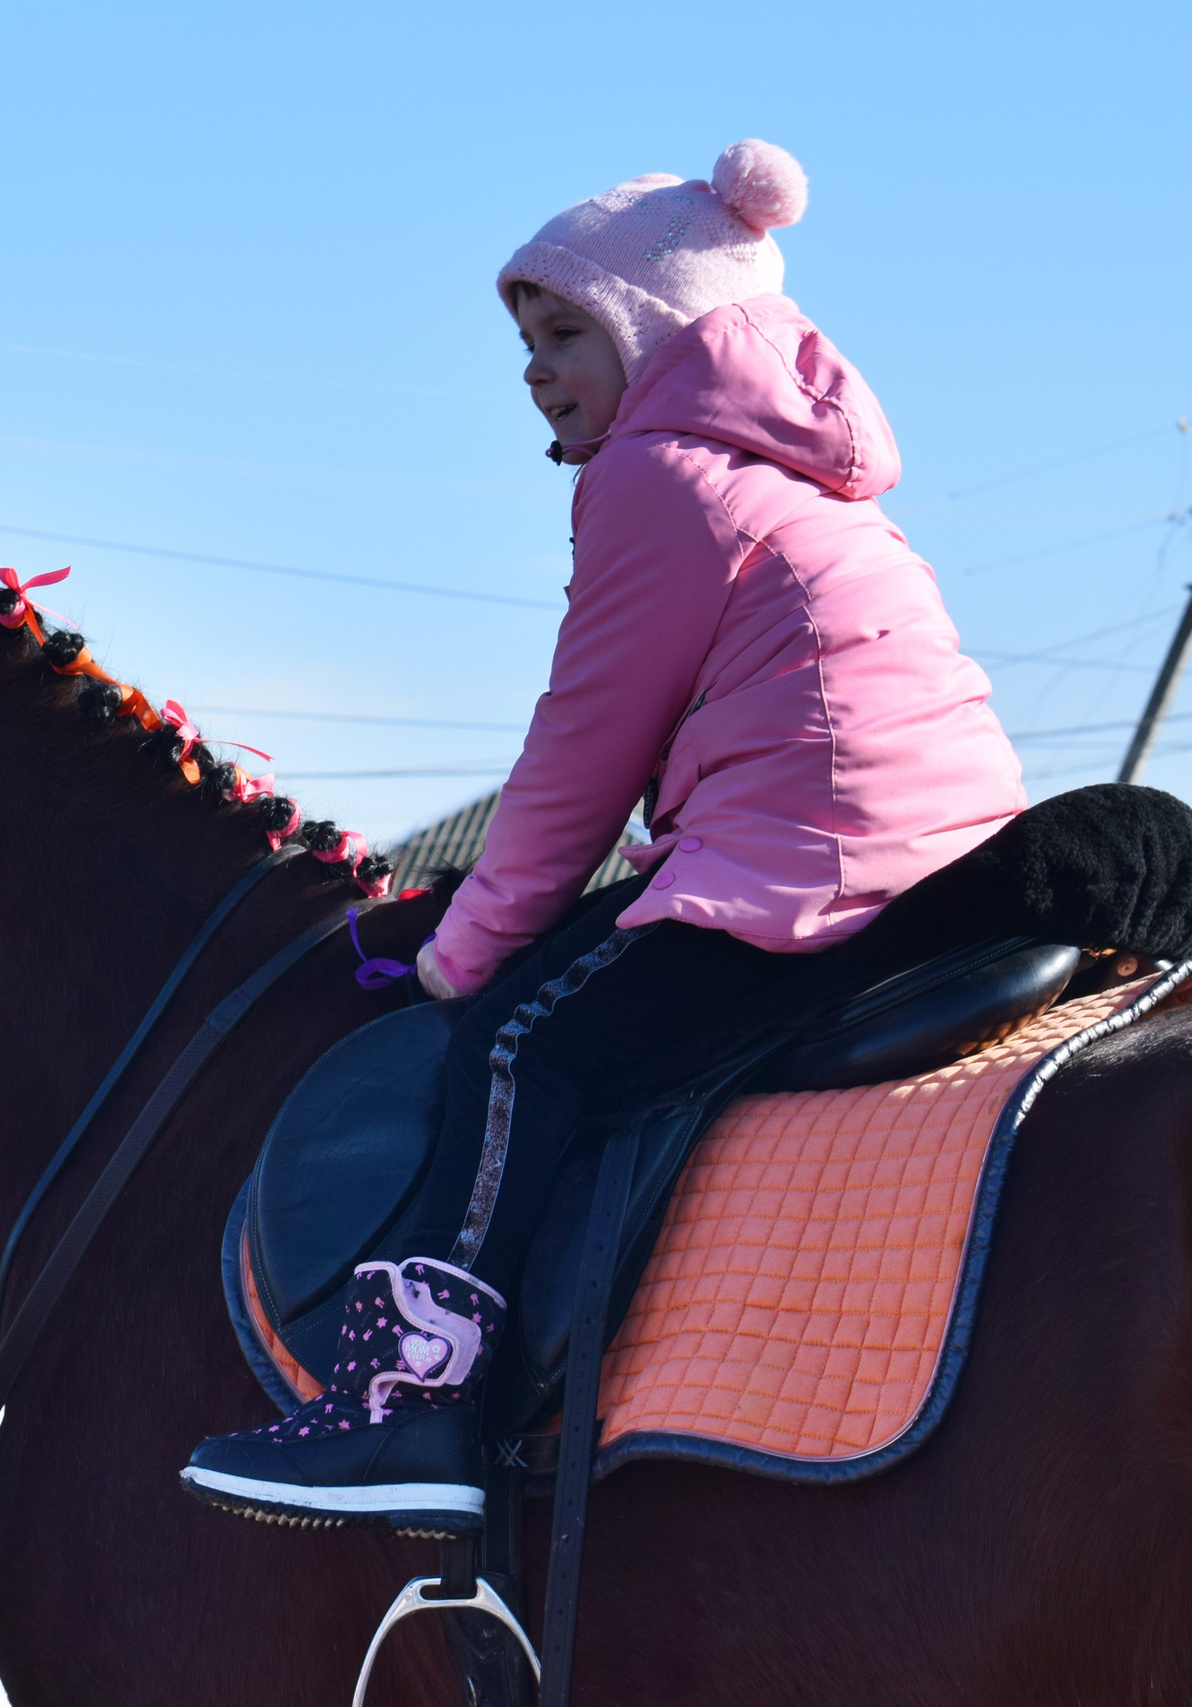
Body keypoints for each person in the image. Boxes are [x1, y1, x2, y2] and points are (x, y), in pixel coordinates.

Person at [182, 141, 1026, 1533]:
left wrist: (462, 954)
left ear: (665, 329)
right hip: (933, 846)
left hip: (814, 859)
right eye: (525, 342)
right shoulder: (791, 474)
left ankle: (405, 1410)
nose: (536, 369)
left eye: (567, 331)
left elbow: (582, 754)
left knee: (521, 1046)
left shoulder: (658, 475)